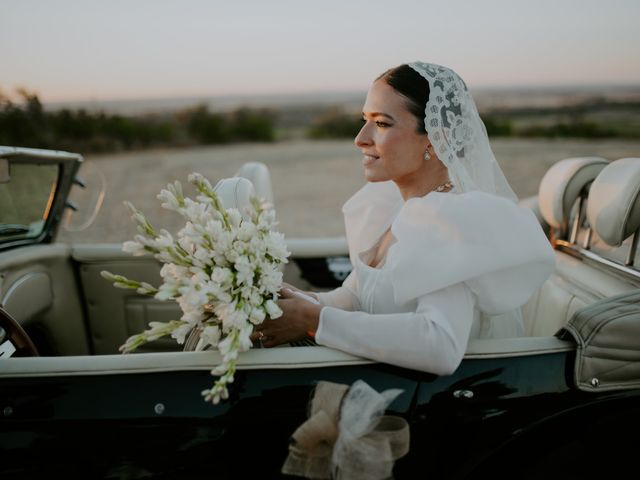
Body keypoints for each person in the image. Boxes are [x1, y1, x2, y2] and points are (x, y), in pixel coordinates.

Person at [252, 62, 555, 375]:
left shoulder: (448, 223)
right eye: (364, 120)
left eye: (382, 124)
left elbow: (440, 344)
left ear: (435, 139)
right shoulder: (399, 209)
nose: (360, 138)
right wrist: (294, 299)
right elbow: (359, 298)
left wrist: (313, 320)